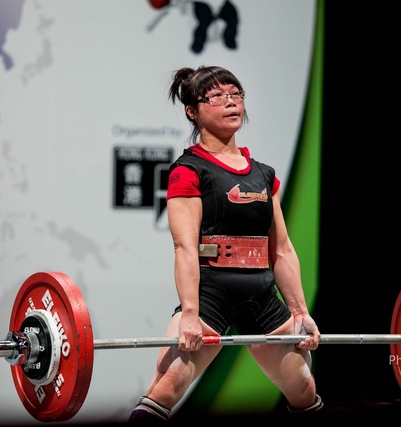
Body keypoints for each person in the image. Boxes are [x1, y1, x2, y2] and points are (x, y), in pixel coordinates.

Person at [128, 65, 322, 422]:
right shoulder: (188, 171)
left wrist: (300, 312)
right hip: (211, 296)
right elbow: (185, 248)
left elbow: (281, 249)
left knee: (304, 390)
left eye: (235, 94)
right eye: (216, 97)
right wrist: (189, 314)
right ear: (192, 111)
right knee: (167, 385)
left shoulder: (264, 175)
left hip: (261, 295)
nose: (230, 102)